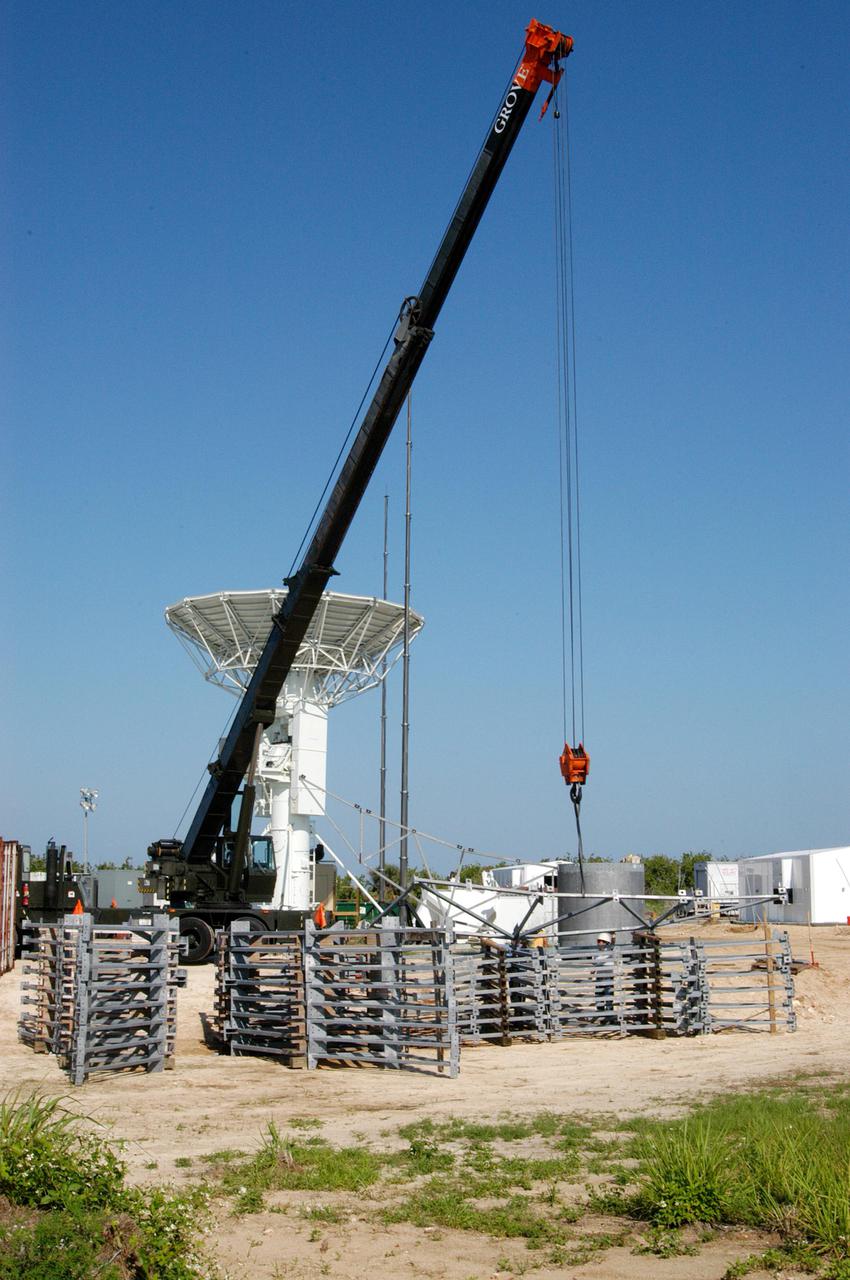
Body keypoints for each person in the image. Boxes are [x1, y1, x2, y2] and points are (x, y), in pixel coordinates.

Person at [592, 931, 615, 1024]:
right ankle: (601, 1017)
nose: (600, 943)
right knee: (599, 998)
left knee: (608, 998)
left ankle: (609, 1018)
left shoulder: (610, 952)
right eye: (599, 941)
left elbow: (614, 945)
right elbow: (594, 965)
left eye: (602, 941)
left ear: (607, 943)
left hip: (608, 978)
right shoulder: (596, 953)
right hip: (599, 978)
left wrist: (613, 936)